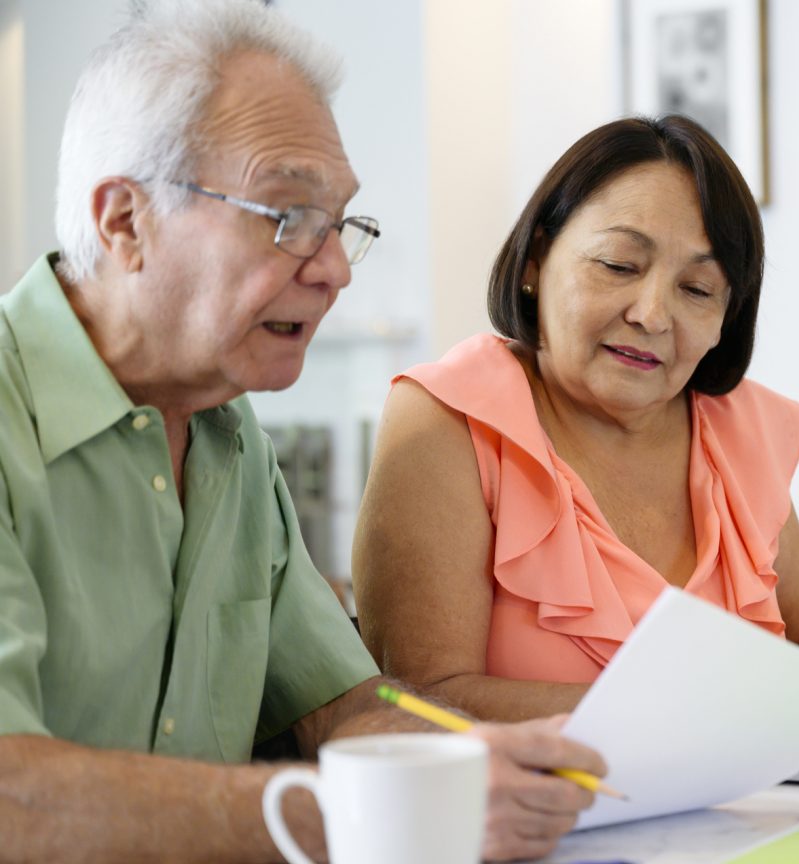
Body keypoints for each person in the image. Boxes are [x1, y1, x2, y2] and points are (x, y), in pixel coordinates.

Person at [0, 2, 603, 861]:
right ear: (124, 221)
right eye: (287, 217)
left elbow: (342, 707)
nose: (334, 270)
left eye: (338, 223)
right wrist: (374, 810)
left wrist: (475, 760)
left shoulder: (229, 431)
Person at [353, 115, 799, 748]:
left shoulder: (741, 428)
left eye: (697, 288)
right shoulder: (448, 420)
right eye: (618, 264)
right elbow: (416, 700)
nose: (652, 315)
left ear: (727, 317)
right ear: (535, 261)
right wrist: (716, 710)